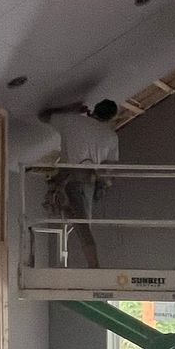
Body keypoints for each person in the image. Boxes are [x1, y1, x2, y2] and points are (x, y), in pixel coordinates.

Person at [38, 98, 118, 267]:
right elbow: (109, 169)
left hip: (66, 176)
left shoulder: (72, 120)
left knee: (78, 221)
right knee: (83, 226)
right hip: (87, 180)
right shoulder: (111, 136)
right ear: (111, 118)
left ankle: (92, 264)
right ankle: (94, 265)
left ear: (95, 108)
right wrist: (102, 184)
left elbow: (43, 116)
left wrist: (70, 108)